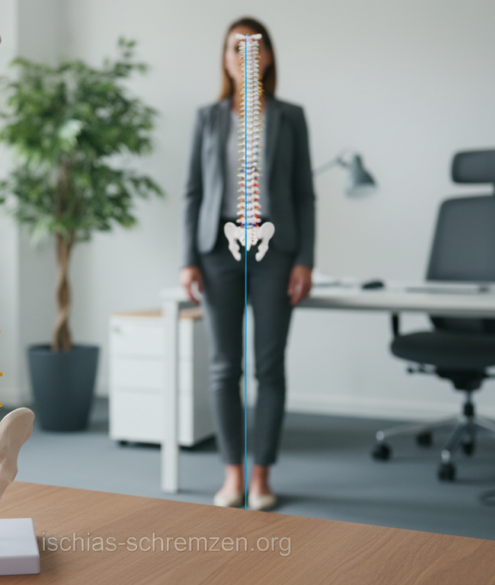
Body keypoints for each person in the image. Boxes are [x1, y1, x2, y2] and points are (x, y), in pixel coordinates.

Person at [180, 17, 315, 511]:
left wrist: (305, 260)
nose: (244, 55)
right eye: (235, 47)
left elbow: (304, 194)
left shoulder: (290, 117)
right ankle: (232, 475)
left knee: (269, 367)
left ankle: (262, 476)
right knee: (223, 368)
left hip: (275, 252)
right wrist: (187, 259)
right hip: (217, 249)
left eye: (253, 47)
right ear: (225, 58)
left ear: (269, 56)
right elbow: (193, 193)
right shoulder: (207, 118)